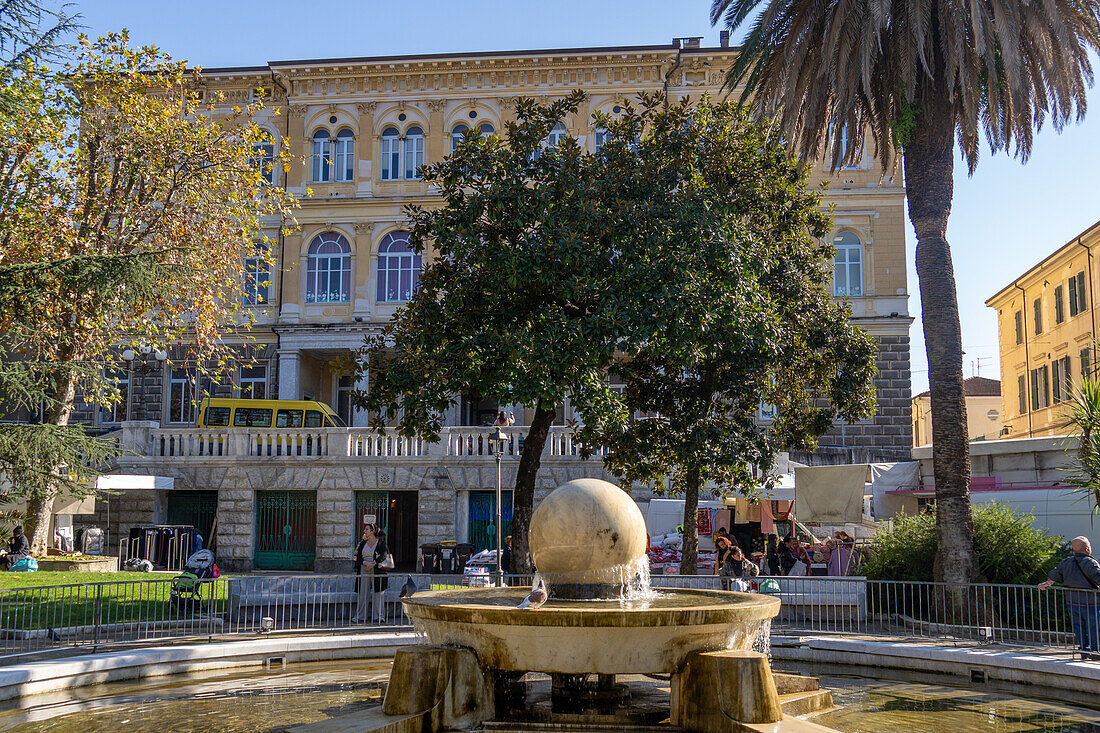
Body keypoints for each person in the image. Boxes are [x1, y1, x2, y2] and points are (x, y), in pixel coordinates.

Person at [1039, 535, 1100, 658]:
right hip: (1091, 602)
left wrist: (1046, 584)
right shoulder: (1090, 563)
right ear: (1087, 549)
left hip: (1072, 601)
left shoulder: (1066, 562)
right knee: (1094, 628)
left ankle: (1084, 651)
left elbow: (1054, 576)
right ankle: (1095, 652)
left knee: (1079, 628)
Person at [353, 524, 391, 623]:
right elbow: (357, 556)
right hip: (364, 569)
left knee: (378, 593)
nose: (364, 531)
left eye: (367, 529)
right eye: (365, 529)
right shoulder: (362, 543)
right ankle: (360, 616)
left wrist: (373, 563)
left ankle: (378, 616)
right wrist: (365, 563)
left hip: (376, 569)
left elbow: (383, 555)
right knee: (363, 593)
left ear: (372, 531)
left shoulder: (380, 543)